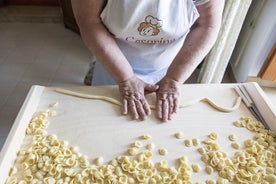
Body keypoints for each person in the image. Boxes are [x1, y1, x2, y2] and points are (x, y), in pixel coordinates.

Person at [71, 0, 225, 121]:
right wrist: (126, 79)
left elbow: (207, 25)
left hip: (170, 67)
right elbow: (90, 22)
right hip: (112, 67)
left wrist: (173, 79)